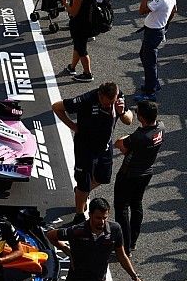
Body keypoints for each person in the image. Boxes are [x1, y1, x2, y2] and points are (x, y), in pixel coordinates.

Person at [52, 82, 134, 219]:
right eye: (106, 103)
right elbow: (56, 107)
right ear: (100, 96)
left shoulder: (118, 97)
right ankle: (79, 214)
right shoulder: (86, 100)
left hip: (104, 147)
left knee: (103, 178)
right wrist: (73, 126)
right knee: (84, 184)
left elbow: (129, 120)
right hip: (85, 147)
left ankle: (80, 191)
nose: (109, 106)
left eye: (111, 103)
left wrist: (123, 112)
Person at [113, 100, 164, 255]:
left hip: (129, 174)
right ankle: (132, 242)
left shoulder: (139, 137)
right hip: (146, 172)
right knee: (136, 205)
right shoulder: (161, 127)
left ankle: (124, 247)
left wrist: (123, 139)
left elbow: (120, 145)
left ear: (141, 117)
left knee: (121, 209)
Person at [135, 0, 177, 101]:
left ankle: (150, 92)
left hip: (153, 32)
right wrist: (165, 25)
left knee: (149, 62)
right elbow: (174, 10)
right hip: (157, 30)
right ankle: (153, 83)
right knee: (144, 56)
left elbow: (142, 10)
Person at [62, 0, 94, 82]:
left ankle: (88, 74)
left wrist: (65, 4)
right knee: (78, 46)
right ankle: (72, 67)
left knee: (82, 50)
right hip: (86, 25)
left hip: (79, 27)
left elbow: (73, 12)